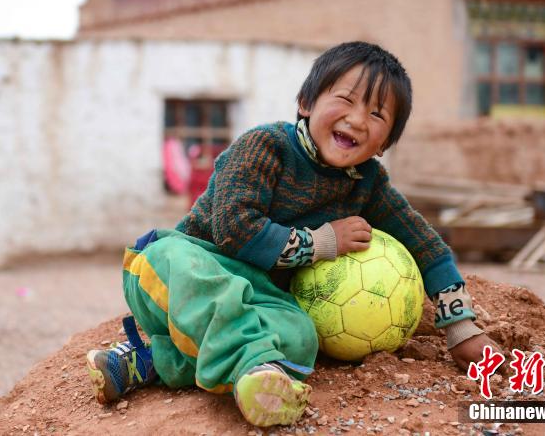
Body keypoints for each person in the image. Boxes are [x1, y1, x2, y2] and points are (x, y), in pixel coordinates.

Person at [86, 41, 499, 427]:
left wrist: (460, 328)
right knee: (171, 257)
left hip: (258, 299)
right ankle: (251, 364)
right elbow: (235, 229)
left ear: (385, 143)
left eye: (377, 115)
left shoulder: (368, 183)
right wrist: (322, 242)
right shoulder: (265, 147)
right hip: (183, 281)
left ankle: (151, 362)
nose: (357, 119)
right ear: (306, 102)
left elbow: (426, 245)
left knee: (301, 338)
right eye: (346, 99)